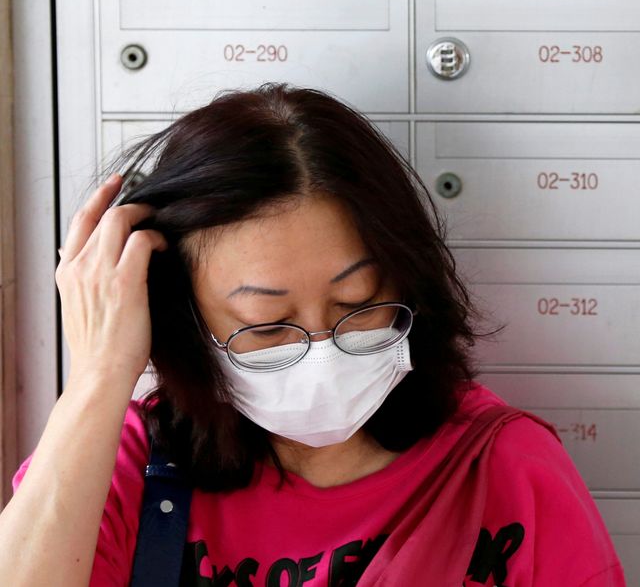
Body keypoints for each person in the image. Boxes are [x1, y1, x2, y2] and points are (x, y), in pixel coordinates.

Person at [0, 82, 625, 586]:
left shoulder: (503, 469)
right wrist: (98, 374)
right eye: (267, 326)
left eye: (358, 302)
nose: (324, 354)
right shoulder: (121, 464)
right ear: (185, 319)